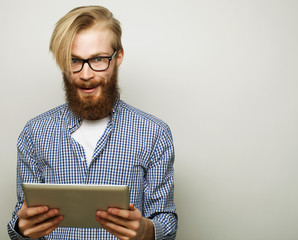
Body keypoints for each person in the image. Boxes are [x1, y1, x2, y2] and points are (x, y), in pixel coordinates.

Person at [7, 5, 177, 240]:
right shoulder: (34, 132)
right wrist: (21, 229)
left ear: (118, 58)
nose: (85, 74)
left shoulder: (154, 132)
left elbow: (166, 221)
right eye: (73, 60)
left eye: (98, 59)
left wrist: (147, 230)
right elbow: (22, 217)